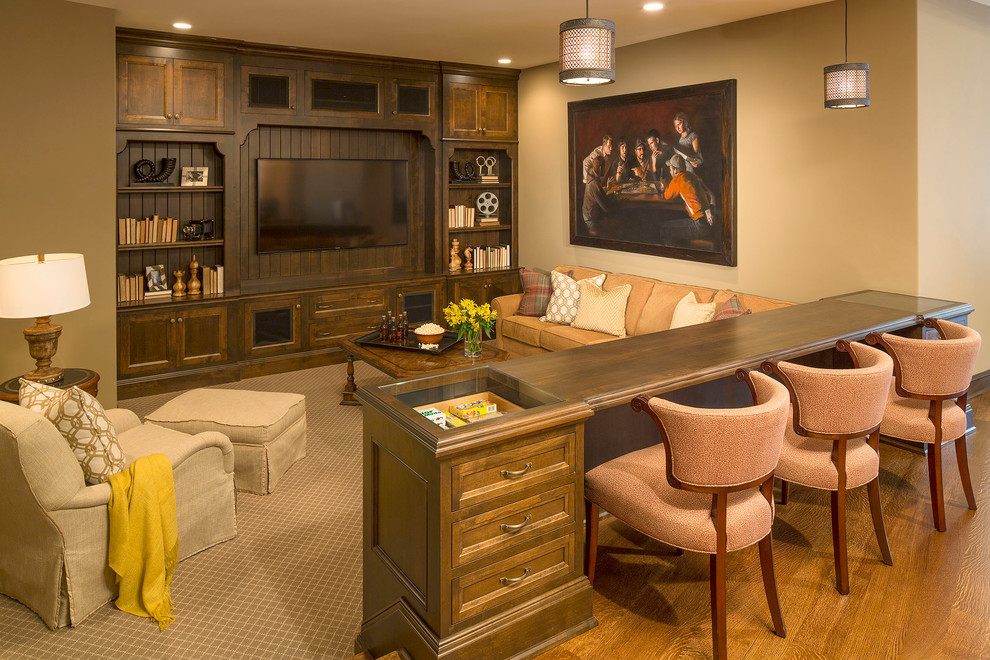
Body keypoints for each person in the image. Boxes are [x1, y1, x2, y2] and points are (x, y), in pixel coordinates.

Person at [659, 155, 715, 244]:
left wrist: (665, 184)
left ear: (674, 170)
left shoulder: (677, 180)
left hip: (700, 225)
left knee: (665, 228)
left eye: (670, 169)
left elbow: (667, 196)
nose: (670, 171)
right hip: (710, 221)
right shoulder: (690, 175)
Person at [582, 155, 611, 236]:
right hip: (591, 220)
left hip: (588, 215)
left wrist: (606, 188)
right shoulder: (594, 183)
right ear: (601, 168)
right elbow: (605, 208)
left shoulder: (592, 177)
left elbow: (597, 194)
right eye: (604, 167)